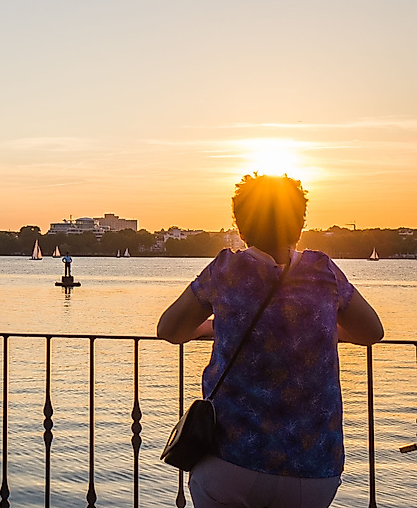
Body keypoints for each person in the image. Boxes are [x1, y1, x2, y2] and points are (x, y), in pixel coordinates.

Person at [157, 173, 383, 508]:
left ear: (241, 224)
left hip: (230, 460)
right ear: (300, 224)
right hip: (313, 467)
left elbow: (169, 330)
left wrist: (212, 328)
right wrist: (322, 332)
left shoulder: (224, 270)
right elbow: (371, 332)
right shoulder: (323, 271)